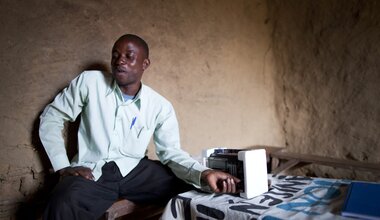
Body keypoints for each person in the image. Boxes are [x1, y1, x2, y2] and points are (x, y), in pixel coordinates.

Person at [39, 34, 240, 219]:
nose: (120, 61)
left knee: (190, 184)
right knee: (64, 199)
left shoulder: (160, 106)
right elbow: (52, 117)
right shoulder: (90, 82)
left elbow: (170, 152)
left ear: (145, 64)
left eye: (129, 56)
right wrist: (63, 166)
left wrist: (204, 173)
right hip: (93, 170)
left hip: (135, 169)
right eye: (115, 55)